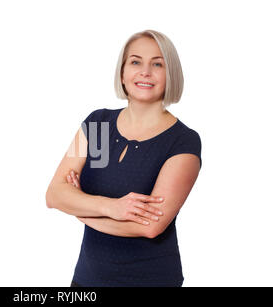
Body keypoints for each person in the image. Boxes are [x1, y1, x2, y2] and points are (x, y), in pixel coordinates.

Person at [45, 29, 202, 287]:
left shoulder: (182, 141)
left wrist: (81, 209)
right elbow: (54, 195)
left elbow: (150, 226)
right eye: (136, 61)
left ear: (170, 73)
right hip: (86, 282)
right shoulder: (98, 126)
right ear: (122, 72)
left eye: (157, 64)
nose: (145, 72)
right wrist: (112, 208)